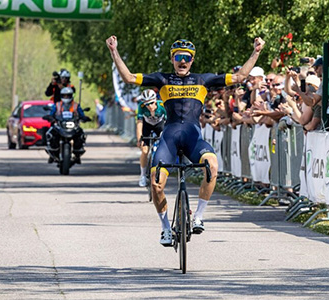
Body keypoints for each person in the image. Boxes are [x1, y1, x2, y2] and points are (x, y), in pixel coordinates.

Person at [106, 35, 265, 246]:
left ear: (192, 61)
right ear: (172, 59)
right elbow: (128, 77)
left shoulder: (203, 80)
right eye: (179, 57)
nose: (183, 61)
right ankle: (165, 229)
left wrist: (256, 52)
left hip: (192, 138)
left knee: (212, 166)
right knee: (156, 185)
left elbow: (240, 77)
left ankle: (198, 215)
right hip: (169, 139)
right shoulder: (162, 79)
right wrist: (114, 51)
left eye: (187, 58)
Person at [45, 87, 88, 164]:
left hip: (72, 124)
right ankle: (53, 152)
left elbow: (81, 113)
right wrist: (50, 117)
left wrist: (84, 117)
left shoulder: (75, 105)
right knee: (50, 133)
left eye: (68, 95)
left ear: (71, 95)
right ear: (61, 96)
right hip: (60, 123)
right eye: (64, 96)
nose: (66, 97)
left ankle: (77, 152)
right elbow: (52, 112)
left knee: (81, 133)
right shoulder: (57, 105)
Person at [136, 89, 167, 187]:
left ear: (155, 101)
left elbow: (169, 123)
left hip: (159, 125)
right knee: (145, 151)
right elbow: (139, 123)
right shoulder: (141, 107)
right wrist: (139, 139)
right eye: (146, 104)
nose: (149, 106)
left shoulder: (162, 106)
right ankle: (143, 175)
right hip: (147, 126)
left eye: (151, 103)